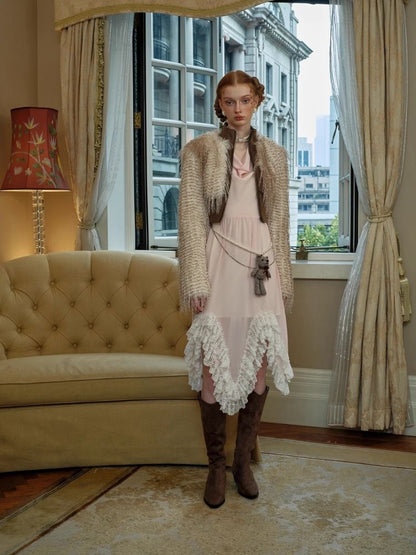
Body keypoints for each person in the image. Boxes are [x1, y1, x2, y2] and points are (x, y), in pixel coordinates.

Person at [178, 70, 294, 509]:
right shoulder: (199, 151)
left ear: (257, 102)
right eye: (230, 101)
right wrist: (195, 278)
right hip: (218, 261)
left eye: (245, 100)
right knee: (213, 367)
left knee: (258, 366)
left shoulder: (276, 155)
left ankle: (242, 463)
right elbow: (190, 219)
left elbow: (280, 224)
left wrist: (283, 278)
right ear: (220, 106)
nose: (238, 108)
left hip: (261, 265)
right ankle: (216, 466)